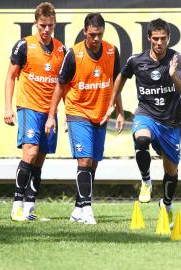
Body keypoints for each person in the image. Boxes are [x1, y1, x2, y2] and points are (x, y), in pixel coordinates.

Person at [102, 18, 181, 224]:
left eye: (163, 39)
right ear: (149, 38)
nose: (159, 43)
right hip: (146, 114)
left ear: (168, 38)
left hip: (171, 121)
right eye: (155, 39)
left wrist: (173, 75)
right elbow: (121, 77)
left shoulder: (177, 59)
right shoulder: (136, 60)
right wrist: (113, 104)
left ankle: (166, 203)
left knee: (171, 170)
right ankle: (146, 180)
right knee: (141, 140)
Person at [45, 13, 123, 225]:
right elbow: (60, 86)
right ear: (85, 32)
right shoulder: (74, 54)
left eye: (99, 34)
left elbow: (116, 84)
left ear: (103, 32)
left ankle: (78, 208)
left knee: (94, 164)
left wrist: (120, 111)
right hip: (78, 112)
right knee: (85, 160)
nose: (96, 39)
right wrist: (51, 115)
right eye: (92, 35)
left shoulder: (111, 51)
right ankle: (88, 209)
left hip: (100, 114)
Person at [4, 2, 65, 221]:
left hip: (49, 113)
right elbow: (11, 76)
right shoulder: (24, 46)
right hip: (29, 106)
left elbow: (63, 85)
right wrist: (8, 107)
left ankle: (29, 208)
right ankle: (16, 205)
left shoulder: (61, 50)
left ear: (55, 23)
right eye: (42, 25)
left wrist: (62, 114)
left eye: (49, 25)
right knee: (29, 152)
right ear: (35, 24)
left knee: (40, 158)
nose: (46, 30)